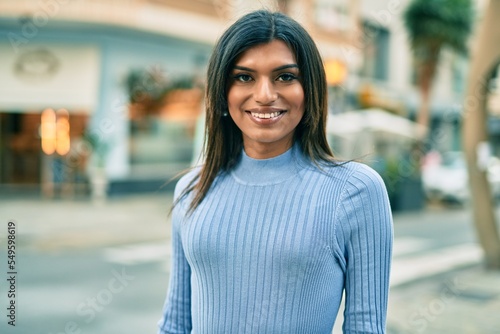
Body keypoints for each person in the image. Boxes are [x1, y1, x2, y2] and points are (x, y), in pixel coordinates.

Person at [158, 9, 393, 334]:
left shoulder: (355, 191)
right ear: (222, 93)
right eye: (244, 77)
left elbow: (365, 328)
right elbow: (175, 324)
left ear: (309, 89)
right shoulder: (193, 189)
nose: (265, 95)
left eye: (285, 76)